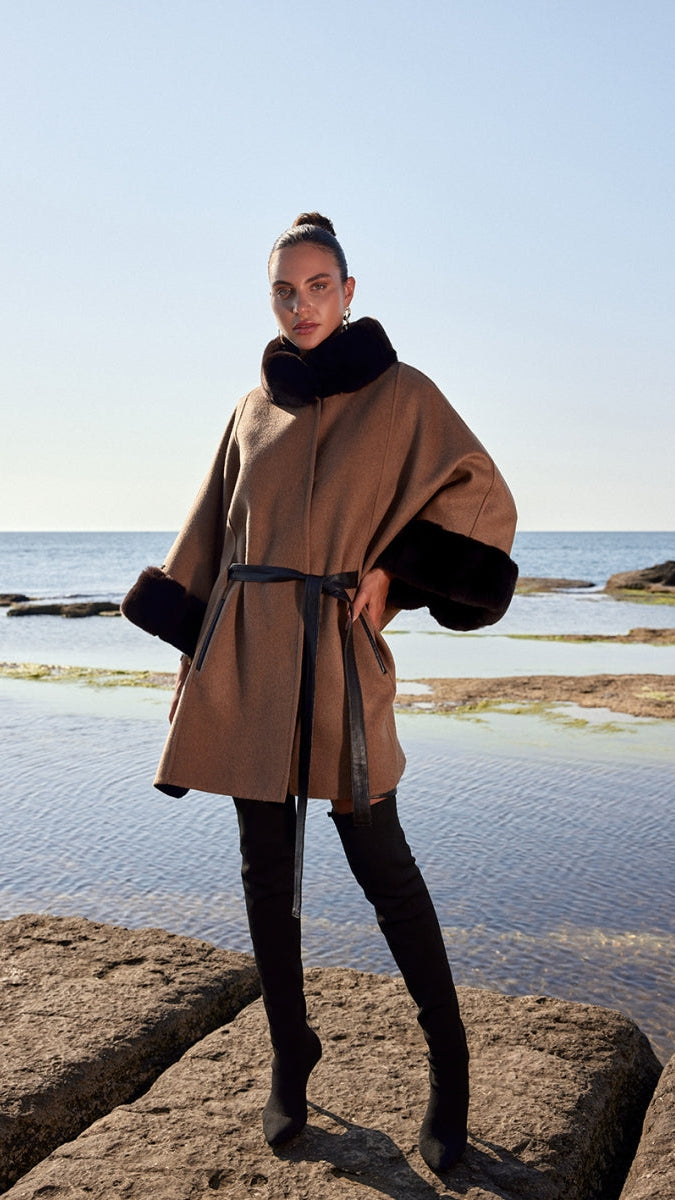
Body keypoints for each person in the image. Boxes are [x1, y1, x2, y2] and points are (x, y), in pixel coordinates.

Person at [122, 213, 518, 1172]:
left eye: (317, 285)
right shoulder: (250, 407)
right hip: (253, 657)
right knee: (266, 867)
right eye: (283, 291)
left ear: (348, 290)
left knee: (384, 867)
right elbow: (210, 535)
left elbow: (481, 499)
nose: (300, 305)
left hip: (338, 656)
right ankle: (289, 1056)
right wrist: (192, 670)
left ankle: (450, 1067)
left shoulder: (403, 394)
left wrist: (402, 576)